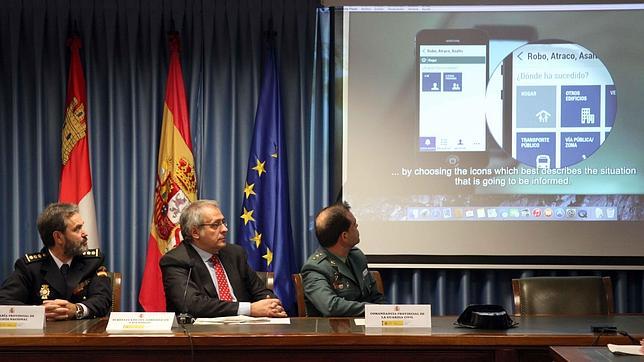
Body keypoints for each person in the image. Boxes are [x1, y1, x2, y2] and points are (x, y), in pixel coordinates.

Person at [160, 199, 287, 318]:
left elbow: (260, 291)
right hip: (201, 335)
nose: (225, 229)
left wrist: (271, 305)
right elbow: (191, 305)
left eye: (223, 222)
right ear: (195, 233)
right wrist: (249, 309)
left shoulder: (234, 253)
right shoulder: (176, 260)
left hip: (245, 330)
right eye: (215, 225)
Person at [0, 203, 112, 320]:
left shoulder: (92, 262)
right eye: (77, 229)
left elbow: (103, 299)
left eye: (82, 227)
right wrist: (39, 311)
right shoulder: (30, 267)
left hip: (83, 334)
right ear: (58, 237)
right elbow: (4, 301)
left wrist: (77, 309)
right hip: (43, 336)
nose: (85, 233)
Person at [301, 201, 385, 316]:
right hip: (333, 331)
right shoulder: (315, 268)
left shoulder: (357, 256)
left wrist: (387, 314)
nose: (357, 226)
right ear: (344, 236)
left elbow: (375, 297)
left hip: (366, 328)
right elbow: (331, 306)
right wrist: (373, 311)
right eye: (354, 224)